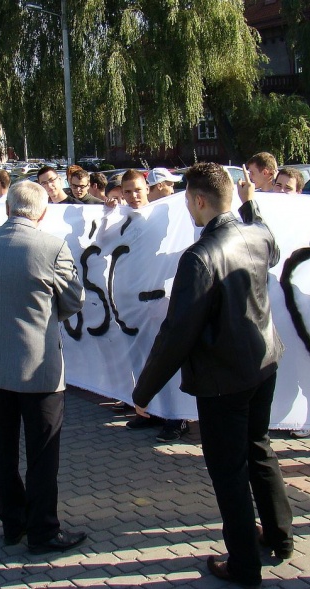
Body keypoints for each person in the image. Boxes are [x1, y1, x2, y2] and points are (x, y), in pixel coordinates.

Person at [132, 163, 293, 586]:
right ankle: (279, 536)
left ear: (199, 200)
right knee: (259, 449)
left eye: (187, 199)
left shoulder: (200, 256)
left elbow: (176, 333)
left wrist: (144, 390)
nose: (187, 207)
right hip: (263, 363)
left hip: (225, 379)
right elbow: (272, 244)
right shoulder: (254, 233)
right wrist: (251, 206)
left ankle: (243, 564)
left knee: (229, 471)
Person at [0, 180, 87, 554]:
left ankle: (12, 523)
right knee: (42, 455)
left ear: (7, 207)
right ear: (43, 211)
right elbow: (74, 299)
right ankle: (43, 531)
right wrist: (50, 314)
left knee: (0, 452)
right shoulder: (52, 246)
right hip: (38, 367)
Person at [119, 170, 189, 442]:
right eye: (127, 191)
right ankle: (149, 411)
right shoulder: (120, 221)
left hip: (158, 299)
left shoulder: (161, 215)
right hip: (130, 302)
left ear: (146, 189)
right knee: (140, 360)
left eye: (137, 190)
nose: (133, 196)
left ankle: (177, 417)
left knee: (165, 360)